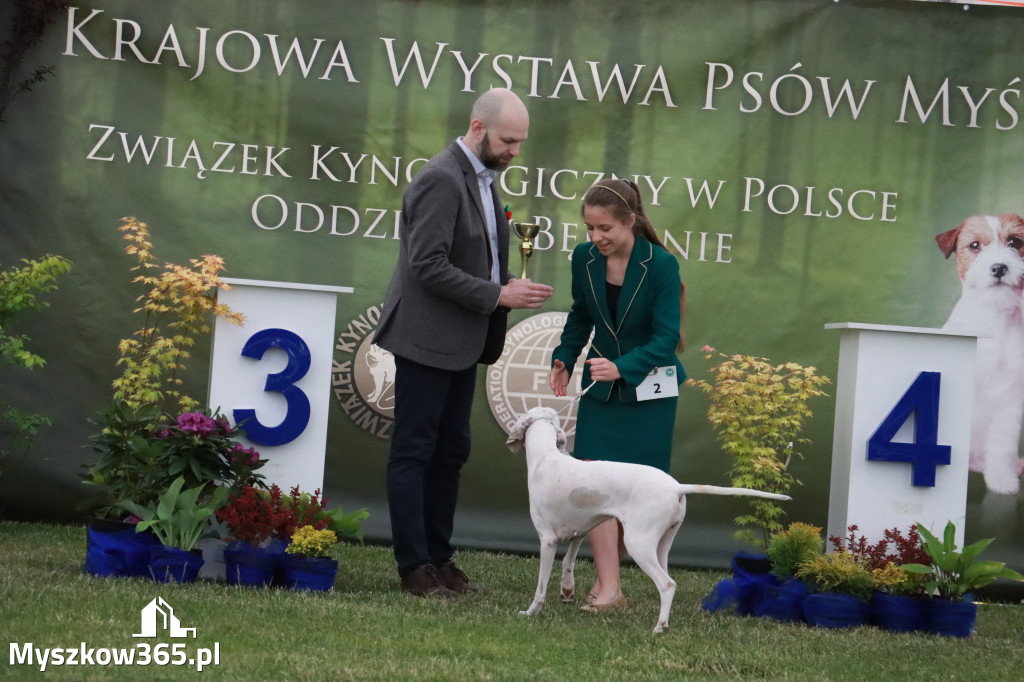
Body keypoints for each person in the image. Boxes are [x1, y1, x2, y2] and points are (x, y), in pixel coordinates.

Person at [375, 88, 554, 598]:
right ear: (478, 128)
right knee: (414, 452)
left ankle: (440, 558)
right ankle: (414, 566)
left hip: (461, 342)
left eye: (520, 142)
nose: (515, 150)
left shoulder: (483, 180)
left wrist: (496, 294)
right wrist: (498, 294)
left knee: (450, 452)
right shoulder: (439, 178)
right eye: (508, 140)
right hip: (426, 339)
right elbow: (426, 265)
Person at [548, 178, 686, 612]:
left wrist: (622, 369)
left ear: (630, 221)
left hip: (650, 395)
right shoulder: (584, 258)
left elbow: (666, 338)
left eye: (604, 228)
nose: (595, 238)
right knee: (593, 485)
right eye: (589, 228)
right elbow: (581, 314)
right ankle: (610, 587)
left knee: (635, 493)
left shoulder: (661, 265)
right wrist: (564, 357)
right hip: (600, 395)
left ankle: (610, 580)